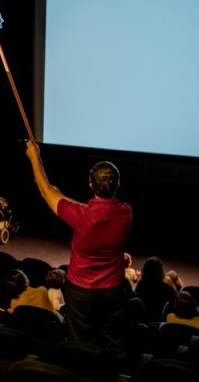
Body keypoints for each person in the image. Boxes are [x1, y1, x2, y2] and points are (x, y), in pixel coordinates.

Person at [25, 140, 132, 360]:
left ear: (91, 185)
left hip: (81, 291)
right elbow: (57, 194)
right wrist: (57, 193)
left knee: (82, 343)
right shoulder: (126, 212)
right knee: (114, 339)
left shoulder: (80, 215)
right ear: (117, 185)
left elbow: (47, 192)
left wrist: (34, 156)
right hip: (113, 290)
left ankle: (86, 379)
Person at [135, 256, 180, 323]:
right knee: (172, 275)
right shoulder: (165, 287)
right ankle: (180, 288)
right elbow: (176, 299)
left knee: (171, 274)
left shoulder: (141, 284)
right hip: (158, 318)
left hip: (146, 316)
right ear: (160, 270)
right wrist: (170, 285)